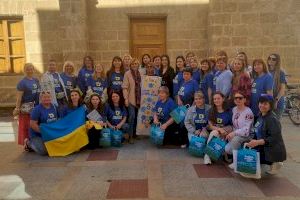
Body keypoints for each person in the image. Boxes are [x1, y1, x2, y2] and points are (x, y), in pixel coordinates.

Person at [244, 94, 286, 176]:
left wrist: (258, 142)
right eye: (261, 103)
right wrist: (252, 141)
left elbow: (275, 138)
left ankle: (275, 161)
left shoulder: (272, 119)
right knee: (244, 147)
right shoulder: (260, 116)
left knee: (251, 158)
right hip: (263, 146)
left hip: (271, 149)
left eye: (265, 104)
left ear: (271, 106)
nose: (262, 105)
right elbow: (256, 132)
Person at [225, 91, 254, 169]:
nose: (238, 99)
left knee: (235, 140)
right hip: (236, 133)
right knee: (227, 149)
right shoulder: (234, 109)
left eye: (240, 98)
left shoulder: (248, 112)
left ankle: (236, 162)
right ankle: (240, 152)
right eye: (236, 98)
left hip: (246, 135)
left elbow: (246, 129)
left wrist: (234, 133)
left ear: (244, 100)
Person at [24, 91, 59, 155]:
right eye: (44, 97)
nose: (46, 99)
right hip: (37, 134)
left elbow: (59, 119)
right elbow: (32, 124)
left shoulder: (54, 107)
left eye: (48, 97)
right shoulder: (36, 109)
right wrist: (44, 132)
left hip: (50, 133)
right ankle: (28, 143)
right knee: (44, 151)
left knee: (56, 147)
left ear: (51, 98)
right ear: (40, 99)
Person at [14, 63, 40, 146]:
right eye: (28, 69)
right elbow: (19, 98)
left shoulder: (36, 80)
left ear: (33, 70)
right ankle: (26, 144)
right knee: (26, 126)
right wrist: (17, 109)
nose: (30, 70)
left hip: (35, 106)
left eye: (31, 68)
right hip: (26, 109)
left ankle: (34, 143)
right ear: (24, 70)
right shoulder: (22, 82)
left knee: (34, 125)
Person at [204, 92, 233, 165]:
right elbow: (210, 126)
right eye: (214, 99)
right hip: (215, 131)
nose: (216, 100)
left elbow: (232, 125)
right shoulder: (210, 111)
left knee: (220, 134)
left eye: (218, 98)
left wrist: (225, 130)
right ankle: (207, 155)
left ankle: (223, 153)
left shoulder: (229, 111)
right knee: (215, 132)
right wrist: (220, 129)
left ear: (223, 99)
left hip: (226, 131)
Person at [177, 67, 199, 148]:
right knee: (178, 121)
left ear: (191, 75)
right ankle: (180, 140)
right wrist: (179, 99)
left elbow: (196, 95)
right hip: (181, 106)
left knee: (186, 123)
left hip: (189, 106)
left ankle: (186, 142)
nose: (185, 75)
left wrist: (192, 107)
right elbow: (179, 93)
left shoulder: (194, 82)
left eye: (187, 74)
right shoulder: (183, 82)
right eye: (184, 74)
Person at [122, 58, 142, 143]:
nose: (134, 65)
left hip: (140, 100)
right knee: (132, 117)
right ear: (130, 65)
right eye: (133, 64)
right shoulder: (127, 74)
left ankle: (135, 133)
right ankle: (130, 136)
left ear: (138, 65)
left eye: (136, 64)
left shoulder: (141, 73)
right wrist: (126, 98)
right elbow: (124, 87)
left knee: (137, 117)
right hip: (131, 99)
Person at [267, 53, 286, 119]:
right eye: (269, 58)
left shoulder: (281, 72)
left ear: (277, 61)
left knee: (275, 124)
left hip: (277, 102)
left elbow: (282, 89)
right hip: (267, 102)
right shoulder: (266, 71)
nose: (271, 60)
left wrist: (276, 100)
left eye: (274, 59)